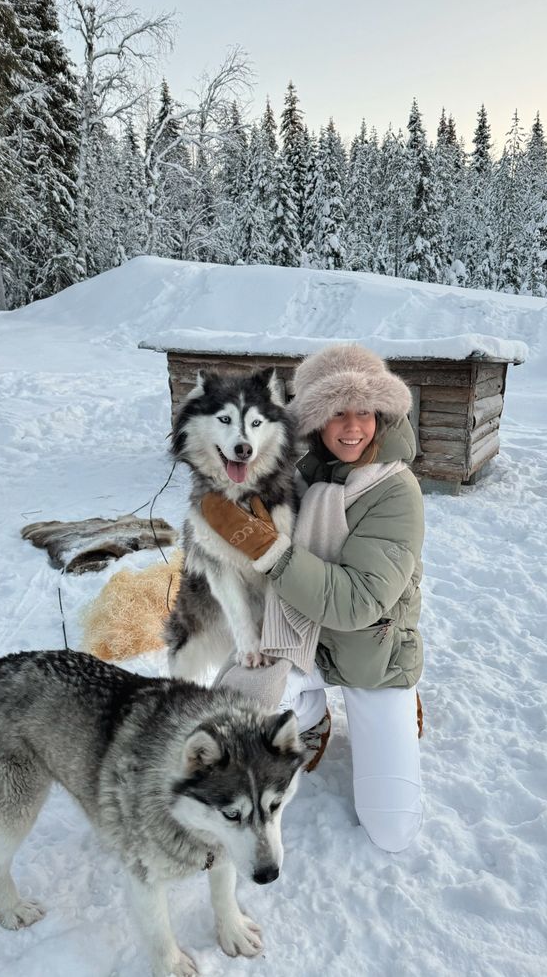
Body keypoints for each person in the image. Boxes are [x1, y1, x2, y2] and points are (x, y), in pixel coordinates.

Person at [201, 343, 424, 853]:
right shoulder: (302, 476)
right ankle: (310, 712)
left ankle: (403, 704)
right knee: (238, 699)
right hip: (306, 643)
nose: (352, 427)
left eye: (364, 412)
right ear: (316, 420)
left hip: (372, 657)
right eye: (336, 412)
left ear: (382, 414)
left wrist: (268, 548)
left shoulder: (395, 491)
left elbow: (357, 602)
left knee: (391, 832)